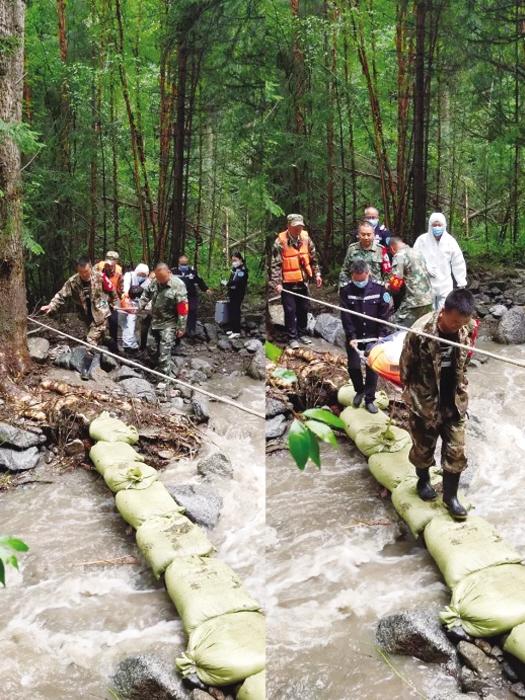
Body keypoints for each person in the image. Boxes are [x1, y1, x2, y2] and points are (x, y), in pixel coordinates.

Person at [399, 288, 477, 520]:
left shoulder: (466, 327)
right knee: (423, 449)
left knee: (456, 451)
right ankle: (423, 482)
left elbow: (465, 360)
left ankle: (450, 497)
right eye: (453, 322)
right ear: (443, 312)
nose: (457, 327)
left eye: (461, 323)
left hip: (453, 401)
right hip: (425, 402)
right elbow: (405, 368)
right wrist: (415, 398)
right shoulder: (419, 333)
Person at [40, 256, 117, 379]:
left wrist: (113, 304)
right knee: (101, 338)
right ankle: (113, 349)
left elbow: (111, 290)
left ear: (90, 268)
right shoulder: (73, 281)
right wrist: (51, 306)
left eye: (86, 272)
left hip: (100, 313)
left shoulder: (99, 277)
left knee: (90, 340)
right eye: (81, 272)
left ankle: (85, 370)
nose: (84, 275)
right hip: (86, 315)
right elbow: (61, 295)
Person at [340, 260, 392, 414]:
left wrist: (380, 337)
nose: (360, 283)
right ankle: (359, 390)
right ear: (352, 276)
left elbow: (385, 315)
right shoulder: (345, 290)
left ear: (368, 274)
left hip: (373, 336)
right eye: (357, 280)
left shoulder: (380, 289)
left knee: (372, 369)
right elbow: (346, 315)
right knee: (354, 367)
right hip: (354, 337)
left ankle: (369, 399)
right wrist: (351, 336)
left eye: (362, 280)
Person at [271, 213, 322, 349]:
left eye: (300, 226)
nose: (298, 229)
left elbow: (313, 258)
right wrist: (277, 283)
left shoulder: (306, 239)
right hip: (287, 284)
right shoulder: (280, 242)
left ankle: (302, 333)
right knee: (290, 310)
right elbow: (275, 264)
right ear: (288, 226)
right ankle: (292, 337)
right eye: (295, 227)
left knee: (303, 309)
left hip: (302, 282)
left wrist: (317, 274)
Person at [134, 263, 188, 380]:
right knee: (151, 347)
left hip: (169, 323)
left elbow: (183, 308)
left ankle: (165, 378)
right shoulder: (155, 282)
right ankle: (159, 367)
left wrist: (181, 327)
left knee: (164, 352)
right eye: (159, 279)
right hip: (155, 321)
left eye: (163, 279)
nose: (161, 282)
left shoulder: (178, 285)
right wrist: (139, 307)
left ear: (169, 273)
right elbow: (146, 294)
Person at [413, 212, 467, 310]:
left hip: (445, 284)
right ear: (430, 226)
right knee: (428, 314)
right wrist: (425, 268)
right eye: (434, 225)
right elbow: (414, 259)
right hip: (426, 284)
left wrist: (461, 281)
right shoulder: (422, 240)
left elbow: (458, 261)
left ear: (444, 225)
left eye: (439, 225)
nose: (437, 227)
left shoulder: (450, 241)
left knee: (444, 312)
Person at [388, 236, 433, 327]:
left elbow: (395, 283)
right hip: (428, 300)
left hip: (413, 302)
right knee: (421, 329)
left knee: (392, 326)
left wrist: (388, 289)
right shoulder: (418, 252)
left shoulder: (400, 255)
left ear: (392, 248)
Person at [340, 220, 391, 288]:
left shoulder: (381, 250)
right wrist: (343, 287)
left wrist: (385, 287)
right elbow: (345, 271)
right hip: (355, 290)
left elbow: (388, 273)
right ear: (358, 235)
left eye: (369, 234)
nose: (366, 237)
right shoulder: (352, 249)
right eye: (363, 234)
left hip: (375, 291)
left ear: (374, 235)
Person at [172, 254, 213, 337]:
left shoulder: (192, 272)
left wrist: (206, 289)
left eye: (185, 264)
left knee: (192, 311)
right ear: (179, 263)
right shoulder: (174, 272)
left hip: (191, 295)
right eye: (182, 264)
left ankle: (191, 330)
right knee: (179, 312)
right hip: (179, 296)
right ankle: (179, 331)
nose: (184, 266)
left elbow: (199, 281)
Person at [95, 252, 123, 352]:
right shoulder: (98, 268)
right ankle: (98, 343)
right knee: (99, 321)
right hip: (100, 299)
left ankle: (114, 346)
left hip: (112, 300)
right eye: (108, 263)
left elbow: (120, 287)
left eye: (112, 264)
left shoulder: (119, 271)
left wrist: (118, 301)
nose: (109, 266)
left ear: (116, 262)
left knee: (114, 322)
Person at [120, 263, 150, 354]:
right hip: (127, 302)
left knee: (144, 322)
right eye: (140, 274)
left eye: (144, 275)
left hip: (140, 304)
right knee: (128, 322)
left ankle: (140, 345)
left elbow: (148, 295)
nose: (141, 276)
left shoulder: (148, 282)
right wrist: (125, 296)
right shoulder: (129, 276)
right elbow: (125, 288)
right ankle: (128, 345)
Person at [225, 252, 248, 339]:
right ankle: (232, 328)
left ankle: (236, 331)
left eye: (235, 260)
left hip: (238, 293)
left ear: (240, 260)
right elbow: (231, 279)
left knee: (236, 311)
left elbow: (237, 281)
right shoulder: (235, 269)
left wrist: (227, 283)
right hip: (232, 292)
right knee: (231, 310)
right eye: (232, 260)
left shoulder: (243, 269)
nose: (233, 262)